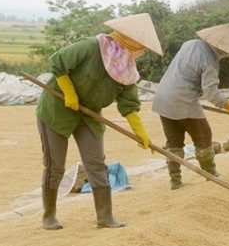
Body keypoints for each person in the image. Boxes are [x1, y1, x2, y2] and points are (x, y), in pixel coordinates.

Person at [36, 13, 162, 230]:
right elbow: (57, 62)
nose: (142, 52)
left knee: (96, 163)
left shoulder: (128, 70)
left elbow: (129, 105)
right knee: (55, 165)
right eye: (141, 47)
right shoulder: (91, 47)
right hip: (57, 110)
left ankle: (105, 217)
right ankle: (49, 215)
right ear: (130, 40)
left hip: (89, 114)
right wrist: (69, 91)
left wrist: (140, 132)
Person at [152, 23, 229, 190]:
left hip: (163, 97)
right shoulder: (210, 61)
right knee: (203, 137)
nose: (226, 54)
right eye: (226, 51)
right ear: (220, 47)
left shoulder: (189, 44)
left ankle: (175, 181)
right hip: (183, 100)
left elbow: (188, 73)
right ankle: (210, 175)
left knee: (173, 142)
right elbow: (211, 92)